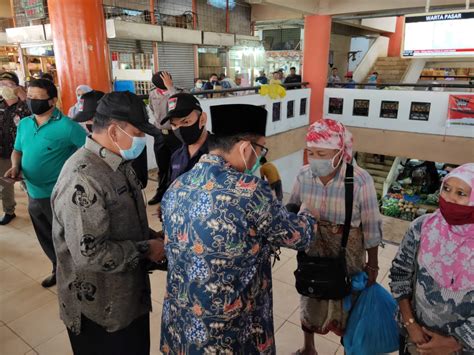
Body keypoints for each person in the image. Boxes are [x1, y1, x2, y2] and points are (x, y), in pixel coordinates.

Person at [159, 104, 318, 354]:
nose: (259, 156)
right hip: (229, 333)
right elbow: (299, 236)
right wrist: (309, 210)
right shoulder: (250, 190)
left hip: (181, 326)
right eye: (260, 149)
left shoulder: (178, 185)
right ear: (245, 147)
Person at [51, 91, 166, 355]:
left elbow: (121, 222)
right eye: (137, 133)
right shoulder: (83, 178)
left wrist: (152, 237)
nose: (141, 140)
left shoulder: (116, 162)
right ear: (114, 131)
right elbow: (90, 254)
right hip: (101, 312)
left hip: (127, 299)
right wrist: (146, 249)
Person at [290, 119, 382, 355]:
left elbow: (372, 225)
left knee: (347, 308)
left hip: (347, 260)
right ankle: (308, 347)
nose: (314, 158)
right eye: (310, 152)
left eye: (321, 153)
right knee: (310, 296)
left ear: (341, 151)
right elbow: (292, 207)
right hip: (312, 255)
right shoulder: (303, 176)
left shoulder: (360, 180)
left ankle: (348, 348)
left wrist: (373, 264)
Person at [4, 78, 87, 287]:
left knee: (66, 237)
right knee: (45, 235)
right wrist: (16, 166)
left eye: (38, 98)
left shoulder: (67, 127)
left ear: (52, 101)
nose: (32, 102)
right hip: (32, 191)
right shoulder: (24, 123)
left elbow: (88, 152)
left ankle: (77, 274)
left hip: (59, 195)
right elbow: (18, 150)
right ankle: (57, 269)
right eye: (29, 97)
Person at [389, 163, 473, 355]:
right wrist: (411, 324)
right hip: (416, 338)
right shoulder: (423, 227)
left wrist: (455, 343)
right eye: (446, 189)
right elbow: (400, 274)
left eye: (461, 193)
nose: (449, 198)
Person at [72, 90, 149, 188]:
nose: (89, 124)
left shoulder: (129, 146)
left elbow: (139, 183)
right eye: (85, 121)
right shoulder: (83, 177)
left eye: (92, 119)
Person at [0, 71, 31, 225]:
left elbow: (36, 113)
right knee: (5, 183)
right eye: (2, 84)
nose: (4, 87)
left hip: (25, 152)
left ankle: (37, 207)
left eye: (9, 84)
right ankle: (9, 210)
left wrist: (23, 95)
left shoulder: (25, 105)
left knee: (29, 182)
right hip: (4, 152)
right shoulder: (0, 104)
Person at [148, 71, 182, 205]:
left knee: (178, 165)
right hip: (160, 134)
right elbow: (151, 108)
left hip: (176, 134)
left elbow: (179, 107)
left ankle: (177, 194)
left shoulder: (178, 92)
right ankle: (161, 193)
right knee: (162, 167)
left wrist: (170, 88)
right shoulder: (152, 94)